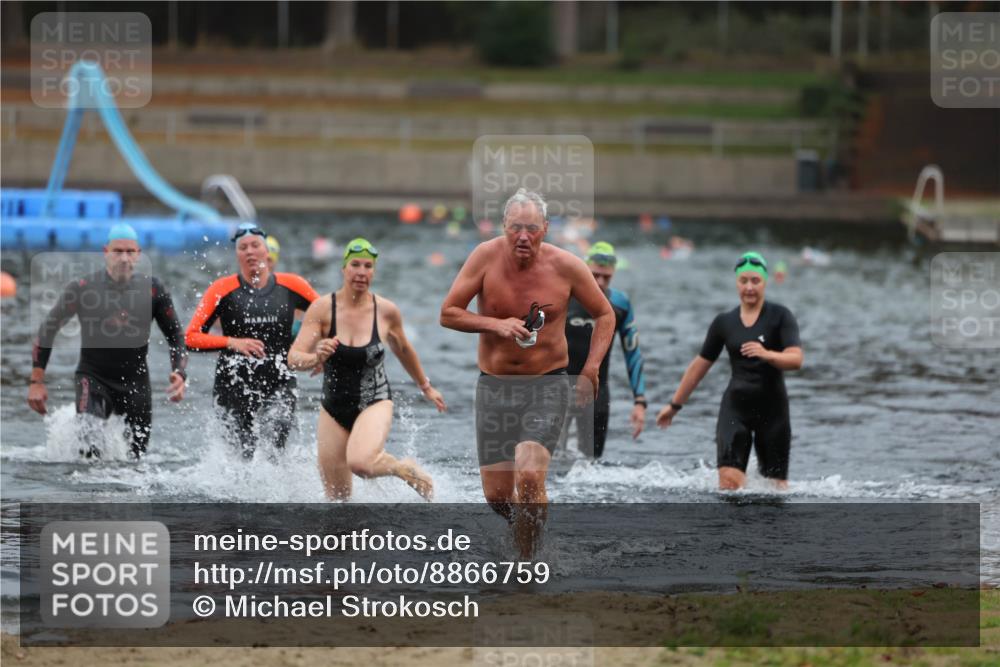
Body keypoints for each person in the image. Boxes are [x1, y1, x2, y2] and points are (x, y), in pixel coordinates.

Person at [440, 188, 614, 554]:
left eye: (531, 228)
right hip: (494, 386)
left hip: (547, 384)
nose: (523, 236)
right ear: (503, 226)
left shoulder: (566, 265)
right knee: (498, 497)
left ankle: (527, 563)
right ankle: (530, 535)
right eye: (515, 227)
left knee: (531, 475)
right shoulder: (484, 258)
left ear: (546, 228)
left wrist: (592, 368)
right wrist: (495, 324)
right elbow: (449, 312)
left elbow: (604, 314)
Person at [288, 238, 446, 501]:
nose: (362, 272)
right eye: (355, 265)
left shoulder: (386, 311)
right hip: (333, 407)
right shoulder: (323, 309)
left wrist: (425, 387)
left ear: (373, 271)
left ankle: (401, 468)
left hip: (375, 401)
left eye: (368, 266)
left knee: (361, 463)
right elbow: (293, 358)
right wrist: (316, 356)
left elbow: (404, 349)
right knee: (337, 499)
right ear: (344, 269)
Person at [28, 224, 187, 458]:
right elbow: (47, 330)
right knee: (89, 453)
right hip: (93, 379)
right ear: (105, 252)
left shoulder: (153, 290)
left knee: (136, 460)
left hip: (136, 384)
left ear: (138, 254)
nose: (124, 258)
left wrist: (180, 374)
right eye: (118, 251)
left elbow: (176, 336)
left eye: (130, 252)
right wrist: (36, 381)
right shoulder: (83, 288)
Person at [655, 252, 803, 490]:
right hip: (736, 408)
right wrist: (674, 406)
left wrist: (767, 354)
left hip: (773, 412)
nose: (749, 287)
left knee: (775, 491)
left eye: (755, 281)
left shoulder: (780, 316)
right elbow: (699, 366)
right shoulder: (724, 322)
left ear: (765, 282)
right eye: (743, 281)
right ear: (736, 283)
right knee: (729, 484)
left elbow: (796, 359)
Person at [185, 222, 319, 459]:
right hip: (234, 384)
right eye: (243, 247)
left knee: (275, 447)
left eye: (255, 245)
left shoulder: (292, 285)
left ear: (267, 252)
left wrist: (321, 351)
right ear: (237, 255)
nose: (249, 251)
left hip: (279, 381)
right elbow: (191, 337)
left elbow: (329, 314)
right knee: (242, 457)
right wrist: (231, 342)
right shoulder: (222, 289)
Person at [560, 242, 648, 459]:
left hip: (596, 392)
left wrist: (640, 401)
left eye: (606, 277)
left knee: (590, 467)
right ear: (584, 269)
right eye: (594, 275)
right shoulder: (564, 296)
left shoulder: (620, 303)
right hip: (557, 389)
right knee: (548, 464)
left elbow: (632, 351)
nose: (599, 282)